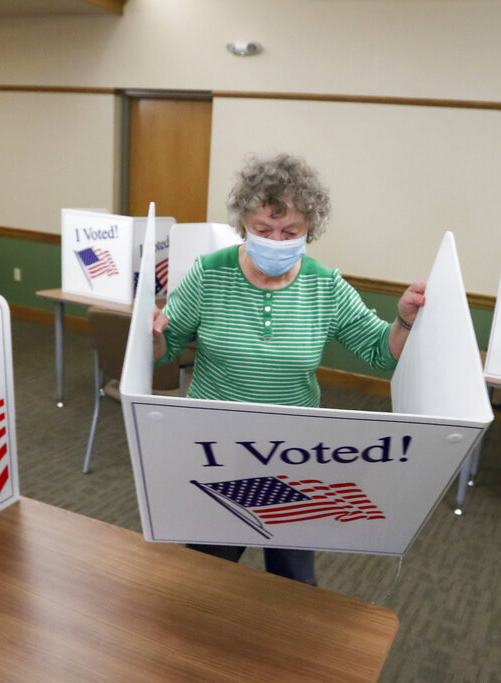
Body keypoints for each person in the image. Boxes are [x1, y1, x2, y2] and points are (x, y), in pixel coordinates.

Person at [152, 153, 426, 586]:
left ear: (309, 231)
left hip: (293, 453)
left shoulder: (325, 285)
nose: (275, 240)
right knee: (206, 573)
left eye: (290, 231)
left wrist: (406, 319)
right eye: (263, 230)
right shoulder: (209, 273)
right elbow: (163, 350)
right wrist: (149, 331)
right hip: (215, 449)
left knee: (293, 581)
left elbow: (379, 351)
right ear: (244, 223)